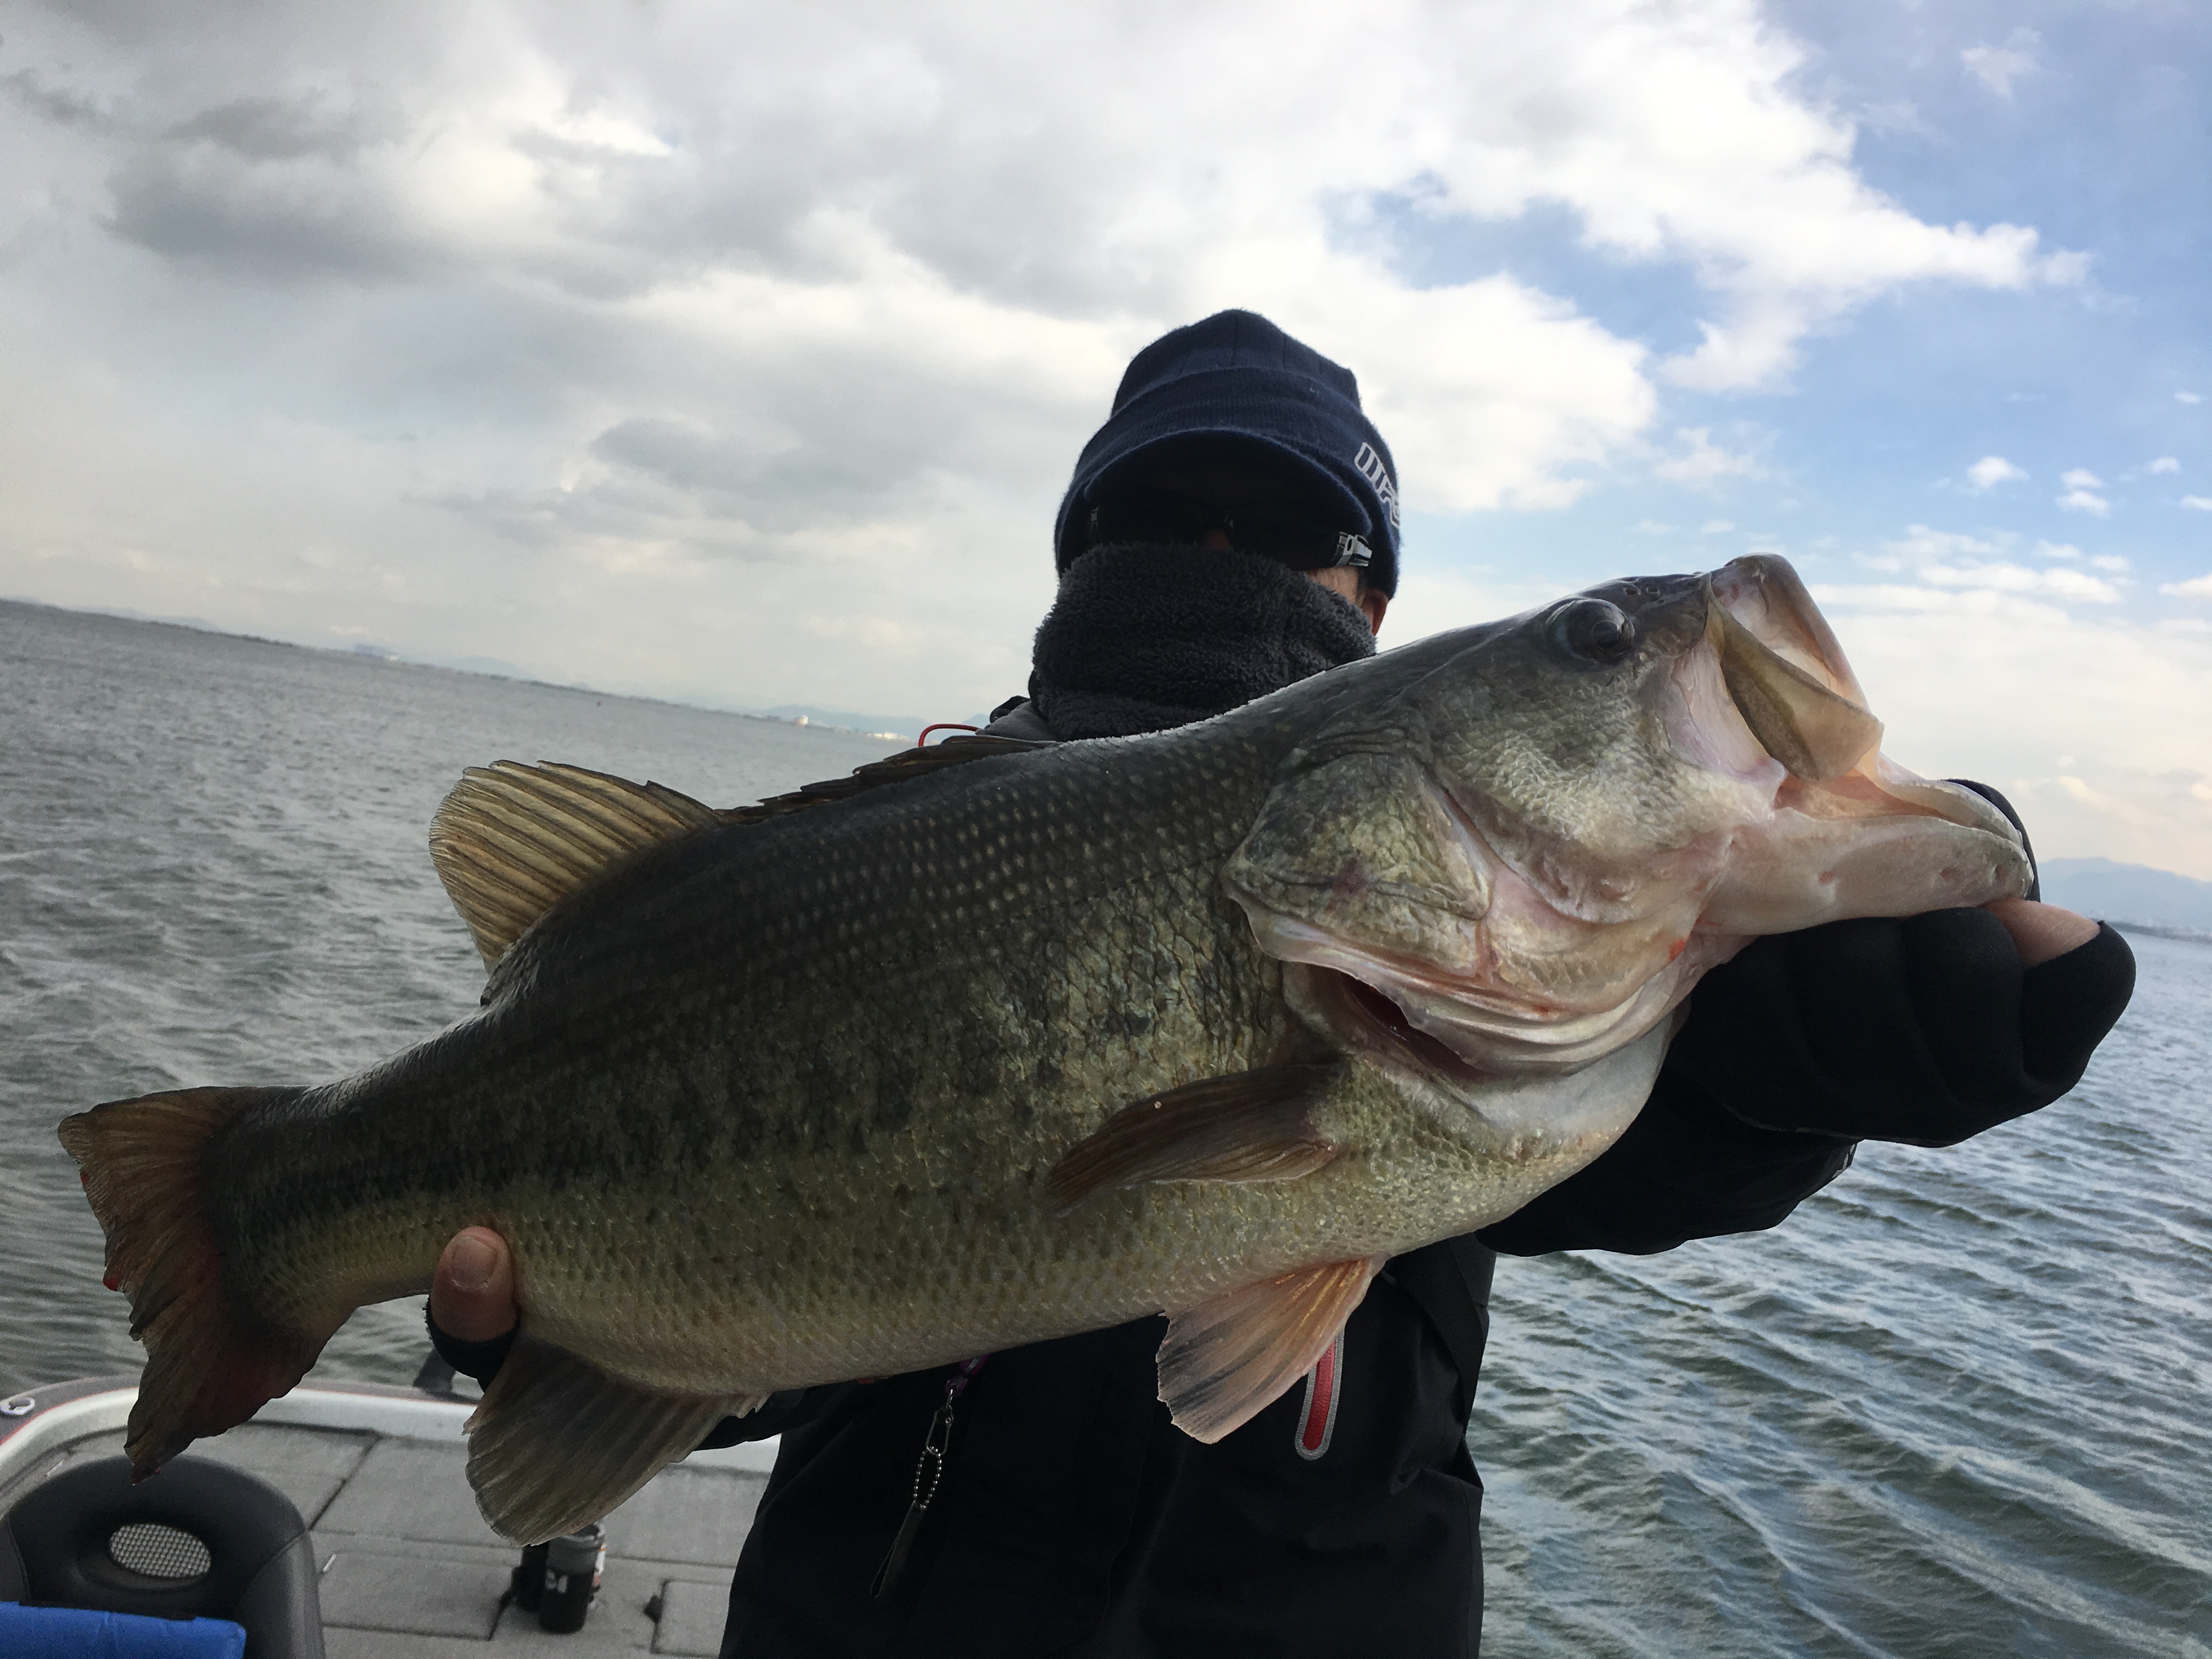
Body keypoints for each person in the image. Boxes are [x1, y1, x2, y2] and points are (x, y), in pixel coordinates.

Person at [428, 312, 2136, 1656]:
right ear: (1081, 551)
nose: (1229, 549)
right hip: (874, 1619)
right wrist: (557, 1344)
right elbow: (780, 1348)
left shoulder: (1544, 991)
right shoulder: (875, 864)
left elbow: (1634, 1156)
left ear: (1374, 593)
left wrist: (1788, 1077)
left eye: (1303, 523)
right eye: (1167, 513)